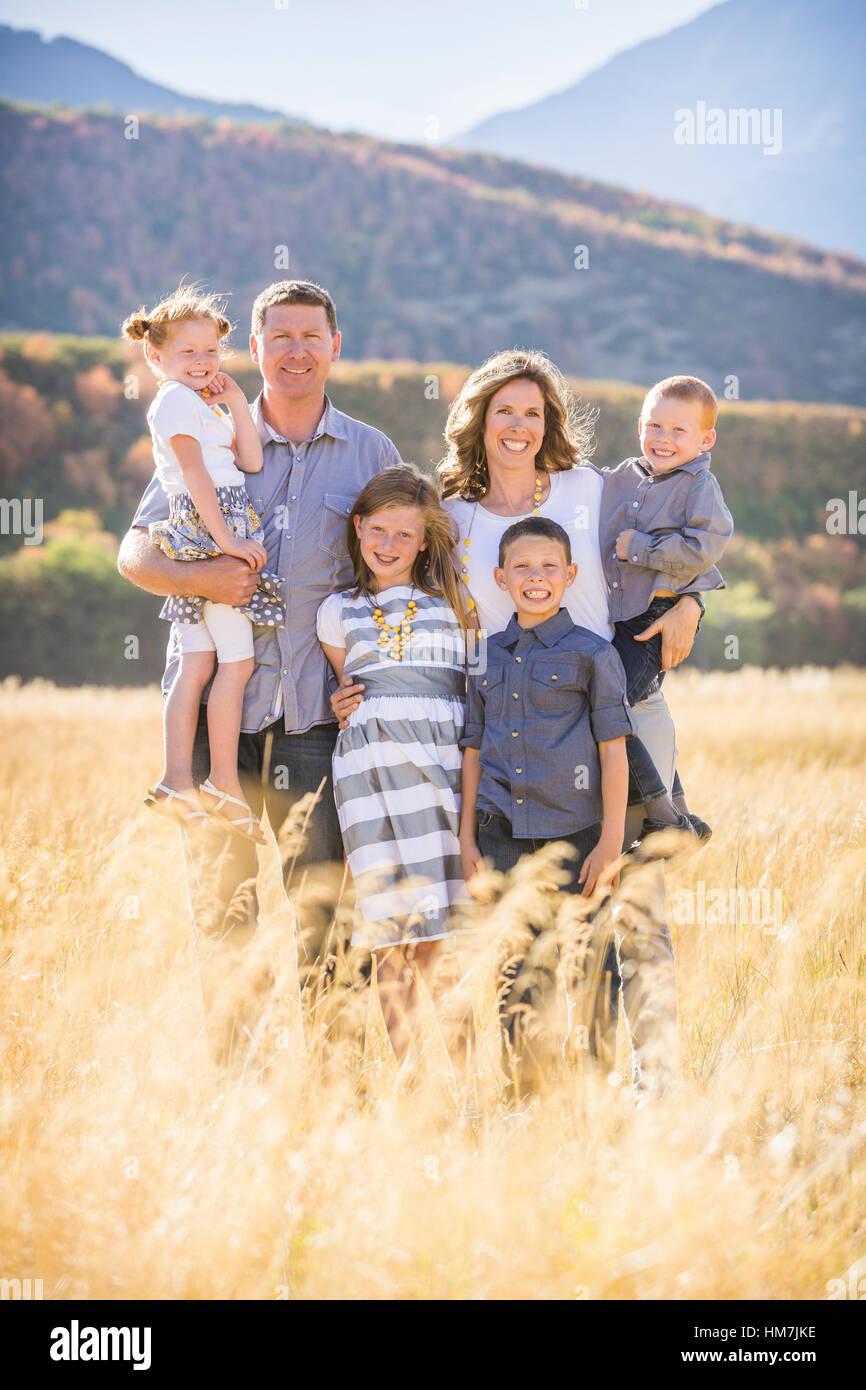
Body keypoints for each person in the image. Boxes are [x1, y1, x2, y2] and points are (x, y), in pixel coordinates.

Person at [334, 349, 704, 1091]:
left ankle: (655, 1084)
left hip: (613, 706)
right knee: (522, 915)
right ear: (478, 419)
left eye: (533, 412)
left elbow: (678, 527)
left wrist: (696, 598)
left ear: (550, 423)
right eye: (504, 409)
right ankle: (536, 1084)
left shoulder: (590, 488)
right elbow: (400, 585)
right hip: (504, 728)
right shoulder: (453, 514)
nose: (519, 425)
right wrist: (360, 679)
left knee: (635, 903)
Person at [117, 280, 402, 1062]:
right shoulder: (206, 433)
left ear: (335, 347)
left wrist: (373, 675)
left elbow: (405, 574)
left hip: (315, 722)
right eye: (279, 337)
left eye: (312, 336)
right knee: (224, 919)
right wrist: (202, 579)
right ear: (254, 350)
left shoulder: (374, 455)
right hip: (218, 728)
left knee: (329, 926)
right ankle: (236, 1107)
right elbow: (135, 553)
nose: (297, 351)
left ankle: (340, 1101)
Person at [459, 517, 634, 1076]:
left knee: (592, 975)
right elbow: (472, 750)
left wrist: (610, 840)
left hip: (579, 838)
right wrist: (466, 838)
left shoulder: (593, 654)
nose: (536, 577)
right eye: (523, 567)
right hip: (501, 835)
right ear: (501, 577)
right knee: (516, 977)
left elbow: (613, 751)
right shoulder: (484, 655)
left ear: (570, 575)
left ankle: (593, 1098)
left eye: (549, 567)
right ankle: (526, 1102)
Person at [317, 465, 475, 1064]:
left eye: (405, 535)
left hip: (435, 770)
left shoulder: (456, 606)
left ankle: (463, 1081)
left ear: (426, 541)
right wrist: (340, 702)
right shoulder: (339, 611)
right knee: (389, 930)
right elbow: (348, 686)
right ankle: (408, 1075)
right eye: (378, 529)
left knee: (436, 930)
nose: (388, 545)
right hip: (367, 775)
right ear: (358, 528)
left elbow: (472, 688)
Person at [122, 285, 285, 843]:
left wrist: (237, 399)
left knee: (198, 664)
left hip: (216, 525)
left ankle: (177, 782)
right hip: (207, 533)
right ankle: (219, 782)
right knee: (234, 666)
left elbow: (251, 458)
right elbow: (193, 478)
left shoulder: (204, 403)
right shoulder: (171, 401)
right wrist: (231, 545)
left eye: (211, 351)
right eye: (187, 352)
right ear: (156, 357)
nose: (201, 362)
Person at [601, 374, 734, 844]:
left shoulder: (699, 485)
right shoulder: (621, 477)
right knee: (615, 707)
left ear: (705, 439)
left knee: (607, 709)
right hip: (615, 622)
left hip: (653, 621)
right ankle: (676, 807)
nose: (664, 439)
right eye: (654, 426)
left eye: (680, 430)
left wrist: (640, 549)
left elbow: (706, 546)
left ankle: (665, 821)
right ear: (640, 426)